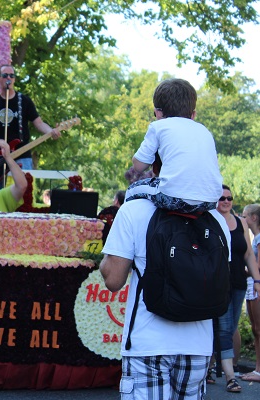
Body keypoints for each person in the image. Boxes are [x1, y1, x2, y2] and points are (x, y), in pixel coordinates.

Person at [100, 197, 231, 399]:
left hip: (147, 342)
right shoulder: (215, 218)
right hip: (199, 343)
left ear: (155, 167)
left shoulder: (134, 210)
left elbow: (113, 280)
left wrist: (106, 260)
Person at [126, 78, 222, 212]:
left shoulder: (158, 126)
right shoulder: (204, 130)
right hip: (210, 201)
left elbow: (139, 166)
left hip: (174, 197)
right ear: (193, 114)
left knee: (132, 190)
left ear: (158, 113)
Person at [209, 185, 260, 392]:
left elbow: (248, 253)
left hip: (239, 282)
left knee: (229, 328)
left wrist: (257, 280)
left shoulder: (240, 222)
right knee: (223, 326)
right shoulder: (208, 220)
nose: (226, 201)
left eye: (229, 198)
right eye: (221, 198)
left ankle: (210, 368)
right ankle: (230, 376)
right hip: (215, 284)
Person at [0, 65, 61, 188]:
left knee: (23, 192)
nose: (9, 78)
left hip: (21, 154)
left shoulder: (24, 101)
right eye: (5, 75)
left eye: (12, 76)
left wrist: (51, 131)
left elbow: (38, 123)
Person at [241, 203, 260, 383]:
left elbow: (258, 265)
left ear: (254, 218)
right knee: (256, 329)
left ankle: (259, 370)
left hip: (257, 286)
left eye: (245, 215)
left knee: (258, 329)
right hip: (252, 285)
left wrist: (243, 269)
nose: (242, 218)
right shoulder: (254, 238)